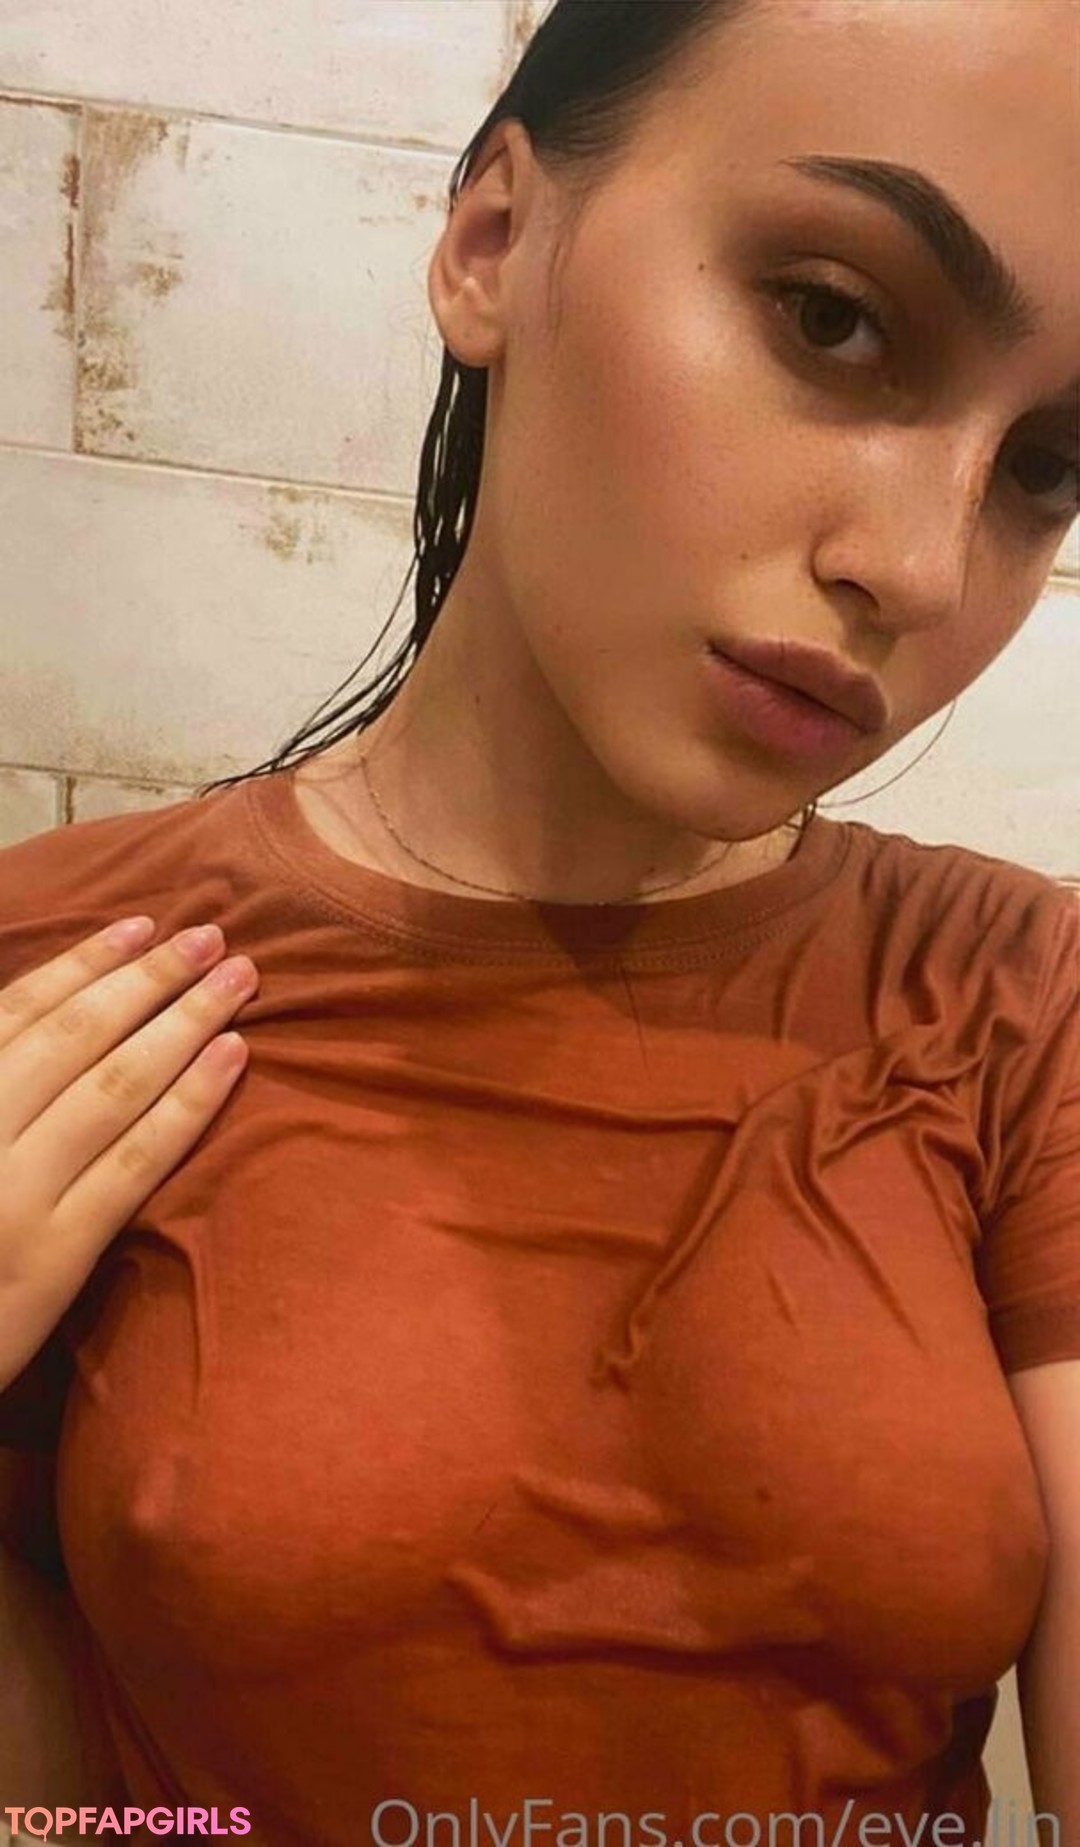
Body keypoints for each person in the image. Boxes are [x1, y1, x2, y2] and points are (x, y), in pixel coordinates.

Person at [1, 0, 1077, 1840]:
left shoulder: (1016, 1001)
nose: (918, 566)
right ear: (493, 241)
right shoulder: (68, 986)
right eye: (834, 317)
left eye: (1051, 465)